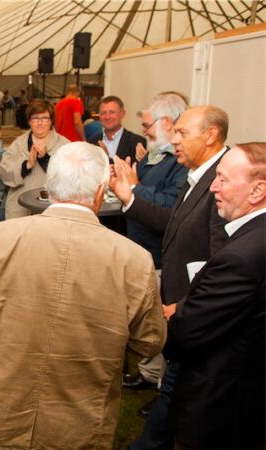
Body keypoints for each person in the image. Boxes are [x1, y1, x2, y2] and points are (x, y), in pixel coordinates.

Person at [0, 142, 166, 450]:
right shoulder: (133, 259)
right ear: (100, 192)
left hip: (1, 413)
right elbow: (149, 342)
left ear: (49, 188)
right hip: (78, 422)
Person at [111, 106, 230, 450]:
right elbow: (172, 225)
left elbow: (222, 260)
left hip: (192, 311)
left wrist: (186, 304)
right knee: (175, 386)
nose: (174, 140)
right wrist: (129, 199)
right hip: (180, 306)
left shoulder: (220, 183)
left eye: (182, 133)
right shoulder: (197, 175)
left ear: (210, 135)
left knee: (177, 390)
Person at [165, 142, 265, 450]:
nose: (213, 188)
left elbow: (187, 333)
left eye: (223, 179)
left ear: (257, 191)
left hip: (221, 406)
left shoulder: (240, 257)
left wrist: (174, 316)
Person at [112, 95, 188, 395]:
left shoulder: (179, 163)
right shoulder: (156, 154)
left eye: (147, 125)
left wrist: (134, 186)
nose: (144, 130)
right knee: (145, 317)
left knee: (158, 321)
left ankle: (159, 386)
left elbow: (169, 210)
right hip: (142, 250)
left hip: (159, 256)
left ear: (166, 122)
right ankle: (148, 372)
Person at [0, 99, 69, 219]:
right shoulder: (18, 144)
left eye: (45, 118)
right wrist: (26, 166)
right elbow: (4, 171)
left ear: (51, 121)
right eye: (35, 118)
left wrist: (45, 159)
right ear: (29, 121)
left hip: (51, 209)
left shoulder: (64, 145)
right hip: (19, 208)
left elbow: (71, 177)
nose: (40, 123)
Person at [89, 96, 146, 162]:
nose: (107, 117)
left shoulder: (136, 142)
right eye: (103, 113)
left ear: (123, 114)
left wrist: (107, 158)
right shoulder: (91, 143)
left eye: (112, 112)